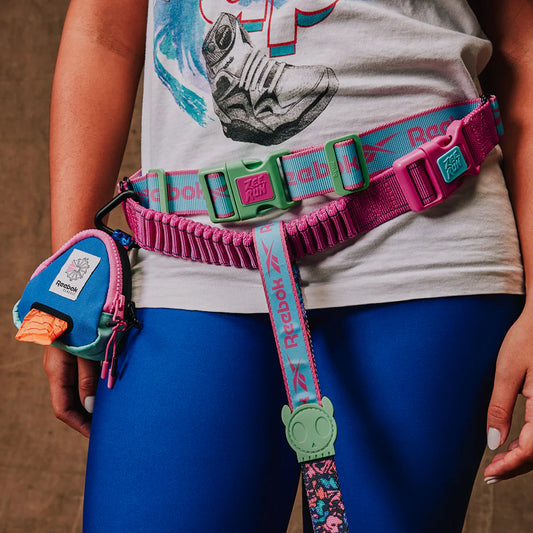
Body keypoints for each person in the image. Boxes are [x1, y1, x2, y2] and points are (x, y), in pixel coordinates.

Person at [43, 0, 533, 531]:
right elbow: (103, 36)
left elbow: (522, 47)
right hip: (184, 254)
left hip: (422, 243)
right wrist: (69, 283)